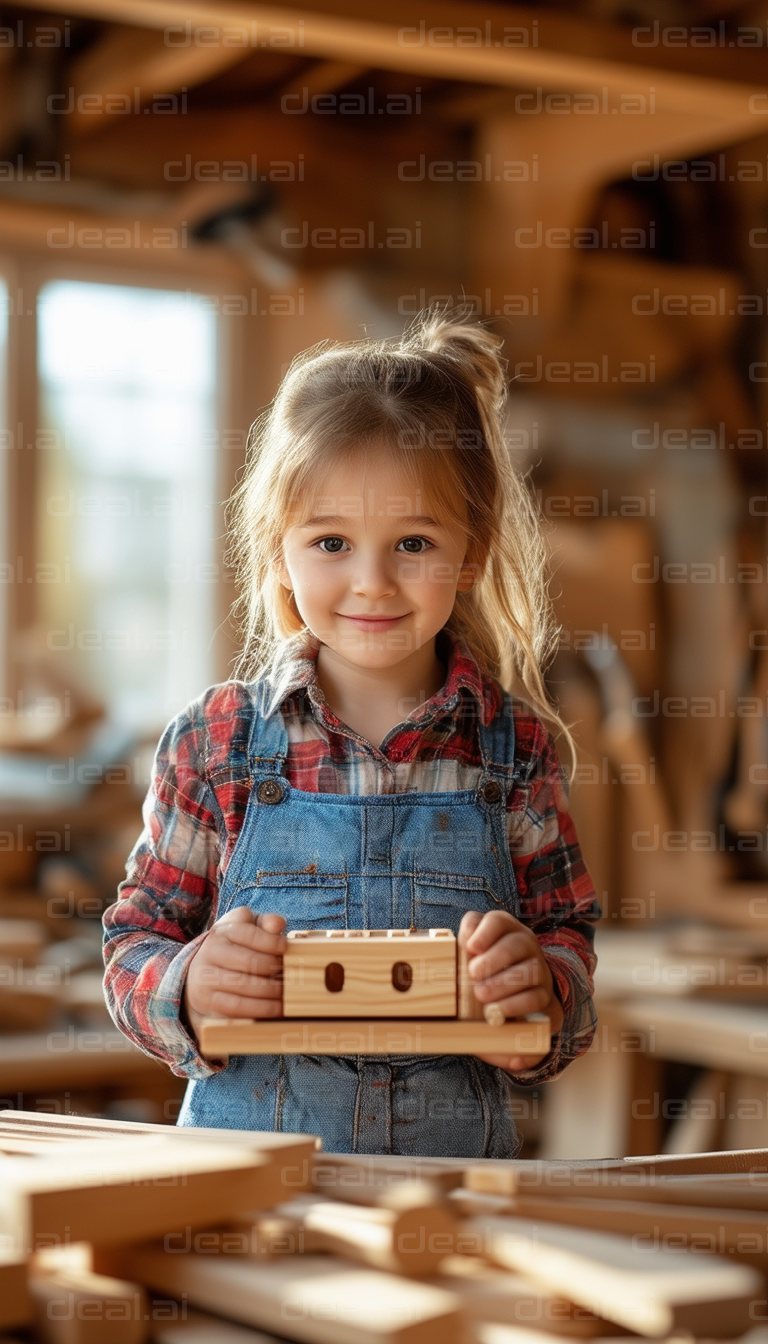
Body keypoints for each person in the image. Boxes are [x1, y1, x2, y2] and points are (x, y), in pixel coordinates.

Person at [103, 309, 600, 1157]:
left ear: (471, 554)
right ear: (279, 552)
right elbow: (132, 941)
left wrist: (542, 990)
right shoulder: (214, 741)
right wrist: (185, 985)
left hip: (448, 1200)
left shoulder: (513, 749)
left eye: (413, 542)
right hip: (247, 1192)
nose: (371, 583)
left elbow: (568, 946)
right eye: (331, 541)